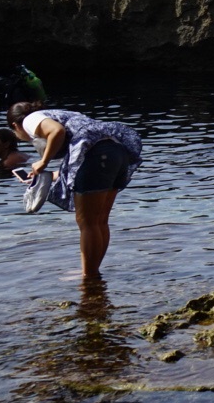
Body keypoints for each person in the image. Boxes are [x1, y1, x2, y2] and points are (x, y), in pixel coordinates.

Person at [9, 101, 144, 281]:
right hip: (117, 152)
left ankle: (88, 277)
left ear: (15, 126)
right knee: (100, 220)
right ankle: (92, 272)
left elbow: (57, 132)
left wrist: (43, 162)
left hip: (96, 156)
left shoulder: (30, 120)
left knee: (88, 223)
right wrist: (43, 175)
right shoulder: (60, 113)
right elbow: (77, 165)